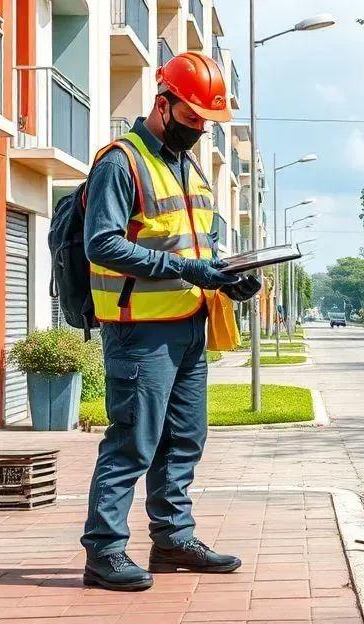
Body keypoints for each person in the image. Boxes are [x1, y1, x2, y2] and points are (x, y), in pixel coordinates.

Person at [80, 52, 260, 591]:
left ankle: (173, 539)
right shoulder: (120, 161)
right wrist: (187, 269)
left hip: (189, 322)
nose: (199, 130)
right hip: (139, 331)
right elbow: (102, 243)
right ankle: (105, 553)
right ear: (163, 104)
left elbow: (196, 243)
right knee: (133, 440)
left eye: (207, 123)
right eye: (191, 118)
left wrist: (230, 277)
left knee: (185, 438)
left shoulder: (190, 165)